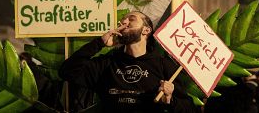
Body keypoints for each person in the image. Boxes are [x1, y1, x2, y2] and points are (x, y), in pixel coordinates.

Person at [59, 11, 197, 112]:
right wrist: (99, 43)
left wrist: (170, 100)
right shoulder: (107, 63)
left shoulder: (163, 66)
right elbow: (67, 71)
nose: (124, 22)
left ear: (146, 30)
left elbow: (189, 109)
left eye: (131, 19)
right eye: (122, 20)